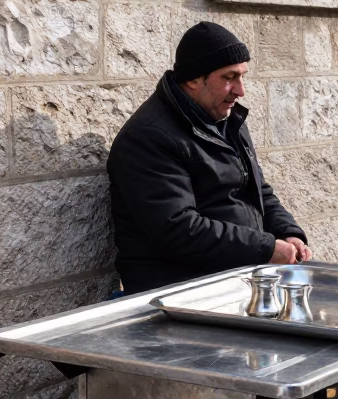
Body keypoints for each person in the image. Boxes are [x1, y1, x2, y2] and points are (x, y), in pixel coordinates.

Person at [107, 21, 311, 295]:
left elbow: (259, 192)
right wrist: (265, 248)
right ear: (193, 79)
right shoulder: (148, 138)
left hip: (236, 280)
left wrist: (289, 233)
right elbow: (178, 229)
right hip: (178, 294)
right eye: (229, 78)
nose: (240, 91)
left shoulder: (226, 119)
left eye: (242, 77)